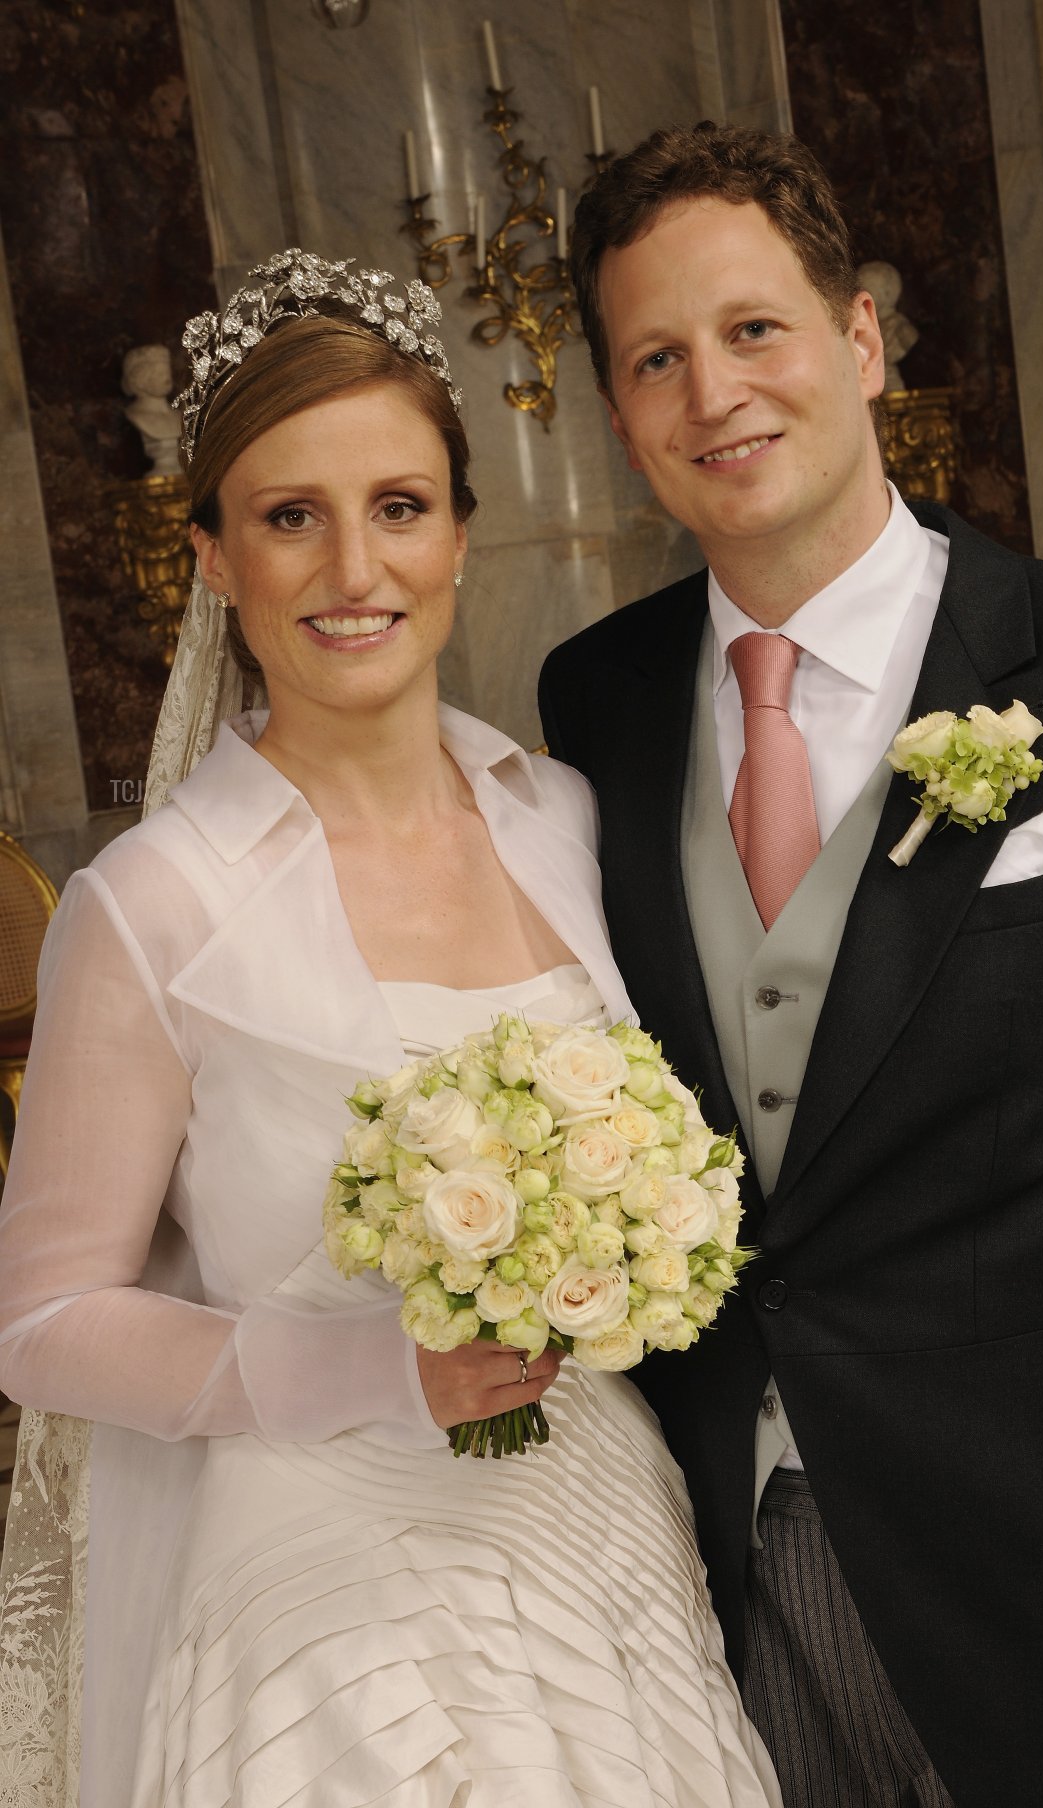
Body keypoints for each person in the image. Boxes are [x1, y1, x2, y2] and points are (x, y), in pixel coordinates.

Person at [0, 251, 782, 1808]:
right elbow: (40, 1326)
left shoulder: (565, 816)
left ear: (460, 537)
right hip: (328, 1610)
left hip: (604, 1543)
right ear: (214, 556)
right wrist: (374, 1370)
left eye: (400, 507)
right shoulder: (152, 904)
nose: (354, 567)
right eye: (291, 516)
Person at [539, 121, 1043, 1808]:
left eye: (754, 330)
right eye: (657, 359)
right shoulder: (592, 705)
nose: (716, 395)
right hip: (720, 1576)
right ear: (620, 418)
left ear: (860, 339)